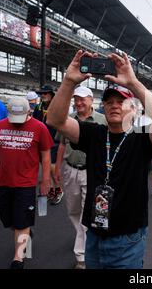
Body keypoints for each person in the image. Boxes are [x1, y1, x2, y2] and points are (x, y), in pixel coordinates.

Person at [46, 50, 152, 269]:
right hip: (94, 235)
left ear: (133, 110)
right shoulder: (94, 133)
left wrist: (133, 83)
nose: (114, 105)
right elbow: (55, 120)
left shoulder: (141, 139)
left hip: (127, 238)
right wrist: (68, 81)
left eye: (121, 101)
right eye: (109, 102)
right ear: (103, 108)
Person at [0, 97, 53, 269]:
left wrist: (45, 181)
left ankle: (18, 258)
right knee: (7, 218)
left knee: (22, 221)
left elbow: (46, 156)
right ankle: (25, 232)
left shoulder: (39, 128)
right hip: (3, 182)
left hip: (26, 184)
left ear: (29, 111)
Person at [54, 86, 106, 269]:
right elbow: (61, 144)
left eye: (83, 99)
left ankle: (82, 257)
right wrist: (57, 168)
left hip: (91, 172)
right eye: (76, 99)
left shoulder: (102, 120)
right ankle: (83, 238)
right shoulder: (67, 120)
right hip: (70, 170)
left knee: (86, 213)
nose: (78, 102)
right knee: (73, 211)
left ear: (92, 100)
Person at [33, 84, 64, 205]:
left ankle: (59, 189)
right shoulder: (38, 107)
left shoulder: (57, 107)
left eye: (46, 93)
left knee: (52, 168)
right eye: (42, 93)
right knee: (45, 168)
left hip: (54, 140)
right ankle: (51, 189)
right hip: (41, 142)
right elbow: (35, 123)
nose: (43, 95)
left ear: (51, 94)